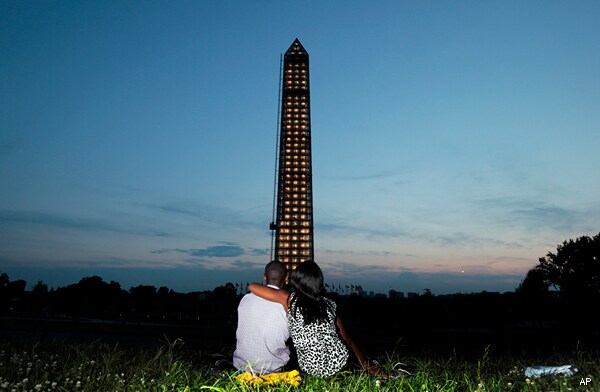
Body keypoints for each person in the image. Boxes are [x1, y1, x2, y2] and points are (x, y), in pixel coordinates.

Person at [248, 261, 373, 377]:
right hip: (340, 364)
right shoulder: (329, 304)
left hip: (311, 370)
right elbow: (347, 340)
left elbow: (252, 287)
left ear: (296, 280)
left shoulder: (289, 299)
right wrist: (367, 366)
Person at [232, 261, 292, 373]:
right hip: (272, 369)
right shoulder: (287, 303)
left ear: (265, 277)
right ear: (286, 278)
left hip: (242, 367)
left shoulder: (245, 299)